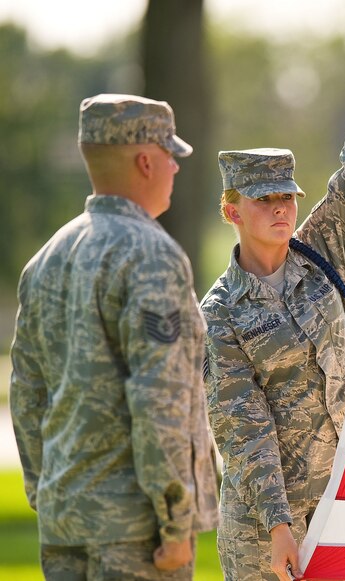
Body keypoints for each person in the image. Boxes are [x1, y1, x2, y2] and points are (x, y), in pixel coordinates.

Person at [200, 2, 345, 580]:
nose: (280, 209)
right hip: (265, 531)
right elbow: (245, 434)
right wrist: (279, 529)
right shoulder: (220, 316)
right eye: (263, 200)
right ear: (231, 210)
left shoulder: (322, 253)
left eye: (286, 196)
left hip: (344, 507)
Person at [10, 94, 219, 580]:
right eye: (170, 155)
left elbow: (27, 394)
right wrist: (174, 524)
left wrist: (48, 494)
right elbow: (159, 398)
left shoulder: (46, 259)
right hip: (135, 536)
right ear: (145, 161)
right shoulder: (152, 255)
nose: (176, 168)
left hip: (65, 524)